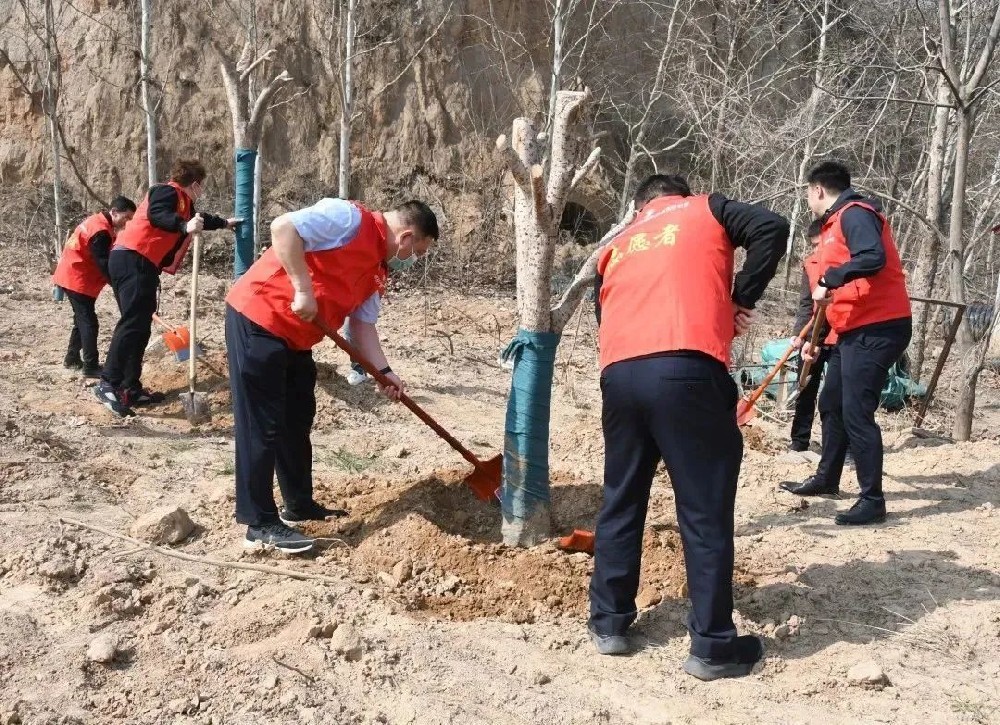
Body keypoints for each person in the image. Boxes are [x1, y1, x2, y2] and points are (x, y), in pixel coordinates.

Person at [588, 174, 787, 680]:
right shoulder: (706, 209)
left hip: (620, 376)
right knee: (704, 507)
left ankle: (609, 622)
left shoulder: (617, 244)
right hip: (687, 369)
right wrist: (740, 298)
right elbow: (771, 227)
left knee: (622, 498)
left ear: (640, 206)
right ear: (680, 195)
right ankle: (713, 646)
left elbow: (603, 312)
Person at [225, 197, 438, 554]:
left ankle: (299, 503)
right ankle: (258, 521)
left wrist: (384, 372)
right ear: (406, 237)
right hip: (260, 316)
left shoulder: (377, 269)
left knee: (297, 417)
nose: (414, 260)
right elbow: (284, 227)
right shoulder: (348, 219)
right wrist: (303, 289)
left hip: (296, 337)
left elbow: (362, 325)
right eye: (418, 251)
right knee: (261, 423)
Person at [780, 161, 912, 526]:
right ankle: (827, 479)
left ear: (817, 190)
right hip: (853, 328)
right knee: (831, 402)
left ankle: (872, 500)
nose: (808, 200)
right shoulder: (834, 225)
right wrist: (816, 340)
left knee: (856, 410)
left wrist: (832, 278)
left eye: (808, 193)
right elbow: (827, 299)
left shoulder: (855, 214)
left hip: (879, 326)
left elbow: (873, 257)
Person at [94, 160, 240, 417]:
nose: (202, 190)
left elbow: (199, 219)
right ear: (195, 184)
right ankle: (109, 382)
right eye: (201, 185)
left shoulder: (186, 203)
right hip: (133, 258)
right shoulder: (166, 191)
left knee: (140, 326)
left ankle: (130, 386)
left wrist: (224, 223)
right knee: (132, 323)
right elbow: (158, 215)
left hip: (142, 263)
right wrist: (184, 226)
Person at [52, 196, 137, 377]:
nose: (128, 222)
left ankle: (72, 358)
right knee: (89, 323)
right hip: (76, 277)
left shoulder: (100, 223)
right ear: (114, 212)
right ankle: (90, 366)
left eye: (131, 219)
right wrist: (120, 287)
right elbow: (104, 264)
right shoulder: (100, 231)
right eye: (127, 217)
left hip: (74, 274)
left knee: (81, 320)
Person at [788, 219, 837, 452]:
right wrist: (800, 336)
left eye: (821, 244)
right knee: (805, 387)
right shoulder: (810, 263)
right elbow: (805, 304)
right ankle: (799, 442)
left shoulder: (843, 264)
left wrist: (816, 340)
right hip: (812, 335)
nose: (817, 250)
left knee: (836, 396)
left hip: (839, 336)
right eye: (813, 245)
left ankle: (838, 448)